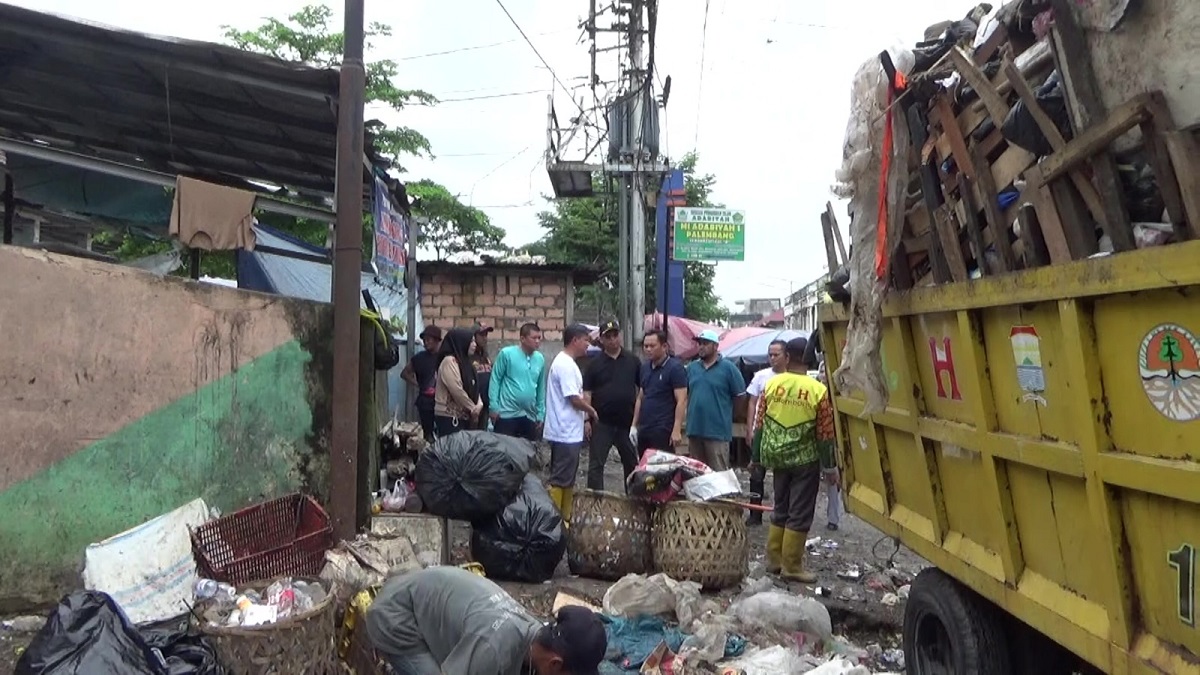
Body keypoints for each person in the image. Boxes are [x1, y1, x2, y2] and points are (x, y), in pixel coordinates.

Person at [366, 566, 607, 675]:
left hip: (424, 602)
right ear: (554, 664)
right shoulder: (493, 649)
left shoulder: (534, 632)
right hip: (395, 618)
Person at [751, 336, 837, 583]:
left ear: (787, 357)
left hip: (776, 457)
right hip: (804, 461)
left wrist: (756, 458)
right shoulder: (817, 390)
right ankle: (792, 566)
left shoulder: (771, 385)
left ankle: (773, 561)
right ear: (810, 358)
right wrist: (830, 467)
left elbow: (759, 425)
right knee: (799, 512)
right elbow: (825, 434)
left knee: (781, 506)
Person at [544, 324, 599, 524]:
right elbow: (573, 398)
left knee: (567, 479)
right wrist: (591, 410)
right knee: (560, 478)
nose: (587, 345)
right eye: (585, 340)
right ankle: (552, 520)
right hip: (564, 430)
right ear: (575, 340)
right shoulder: (565, 365)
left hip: (569, 430)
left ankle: (564, 518)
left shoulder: (568, 362)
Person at [583, 320, 641, 492]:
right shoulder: (594, 364)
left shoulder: (633, 361)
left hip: (626, 423)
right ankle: (595, 505)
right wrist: (587, 419)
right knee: (596, 465)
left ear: (620, 336)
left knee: (631, 465)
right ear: (601, 339)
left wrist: (637, 422)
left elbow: (642, 391)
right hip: (602, 423)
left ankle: (633, 502)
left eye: (615, 335)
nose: (613, 340)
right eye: (608, 336)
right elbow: (587, 393)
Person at [743, 339, 790, 525]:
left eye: (776, 355)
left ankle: (781, 514)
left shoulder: (792, 378)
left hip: (782, 433)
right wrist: (750, 428)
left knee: (783, 475)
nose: (772, 358)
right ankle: (755, 514)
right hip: (760, 431)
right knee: (756, 473)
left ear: (786, 357)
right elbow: (752, 403)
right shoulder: (761, 376)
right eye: (770, 355)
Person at [684, 329, 745, 471]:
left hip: (718, 431)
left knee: (719, 474)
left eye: (705, 343)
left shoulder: (729, 368)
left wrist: (731, 415)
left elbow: (740, 396)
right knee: (695, 472)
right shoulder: (692, 368)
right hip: (694, 429)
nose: (701, 346)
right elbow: (684, 394)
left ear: (716, 346)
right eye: (699, 343)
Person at [800, 328, 840, 530]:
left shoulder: (839, 392)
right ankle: (807, 516)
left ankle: (833, 518)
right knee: (811, 482)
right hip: (813, 441)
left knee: (833, 480)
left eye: (827, 370)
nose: (824, 374)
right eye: (822, 370)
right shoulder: (813, 389)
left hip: (832, 441)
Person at [631, 330, 687, 455]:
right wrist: (634, 426)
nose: (648, 349)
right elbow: (640, 397)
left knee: (662, 469)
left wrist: (676, 429)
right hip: (645, 428)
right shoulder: (645, 368)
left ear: (664, 346)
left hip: (663, 429)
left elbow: (682, 400)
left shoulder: (675, 368)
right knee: (645, 469)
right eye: (646, 346)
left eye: (652, 346)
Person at [489, 322, 548, 441]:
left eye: (539, 338)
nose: (537, 341)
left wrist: (540, 413)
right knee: (505, 452)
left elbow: (540, 387)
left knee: (527, 453)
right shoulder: (507, 354)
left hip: (529, 415)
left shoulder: (540, 359)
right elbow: (495, 379)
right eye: (534, 338)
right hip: (506, 414)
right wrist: (494, 406)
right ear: (522, 339)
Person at [434, 328, 484, 438]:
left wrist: (480, 404)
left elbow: (474, 386)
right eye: (471, 341)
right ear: (461, 342)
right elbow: (456, 389)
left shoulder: (467, 363)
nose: (474, 345)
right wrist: (472, 408)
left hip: (465, 417)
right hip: (450, 418)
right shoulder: (449, 361)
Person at [401, 326, 442, 443]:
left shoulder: (445, 357)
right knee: (427, 434)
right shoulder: (419, 358)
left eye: (429, 339)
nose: (426, 342)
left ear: (437, 340)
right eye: (424, 339)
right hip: (425, 402)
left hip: (442, 403)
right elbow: (404, 373)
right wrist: (418, 384)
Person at [471, 323, 495, 430]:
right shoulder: (469, 356)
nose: (485, 338)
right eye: (482, 335)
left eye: (486, 335)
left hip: (486, 404)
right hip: (473, 405)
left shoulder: (485, 356)